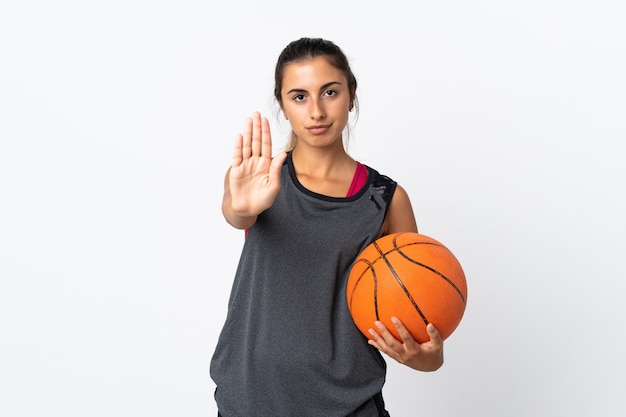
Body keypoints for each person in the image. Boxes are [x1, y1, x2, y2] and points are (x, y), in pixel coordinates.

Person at [210, 37, 444, 417]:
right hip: (249, 403)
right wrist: (239, 209)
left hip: (347, 407)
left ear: (351, 94)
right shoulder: (260, 181)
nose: (316, 111)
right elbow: (237, 213)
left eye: (329, 92)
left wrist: (425, 356)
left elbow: (423, 337)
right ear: (283, 105)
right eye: (299, 96)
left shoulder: (386, 199)